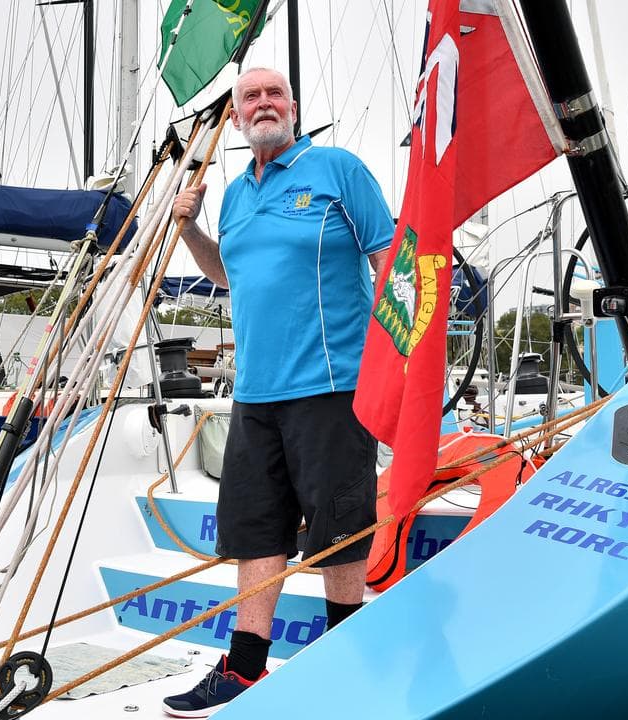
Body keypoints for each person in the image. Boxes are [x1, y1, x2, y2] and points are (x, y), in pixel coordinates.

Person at [162, 67, 392, 717]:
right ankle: (244, 669)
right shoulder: (235, 194)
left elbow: (389, 257)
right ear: (236, 120)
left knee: (338, 526)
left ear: (293, 107)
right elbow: (225, 275)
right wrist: (190, 229)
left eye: (274, 94)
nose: (262, 104)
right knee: (254, 528)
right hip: (255, 393)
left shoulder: (337, 169)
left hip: (333, 382)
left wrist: (395, 355)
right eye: (249, 98)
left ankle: (347, 653)